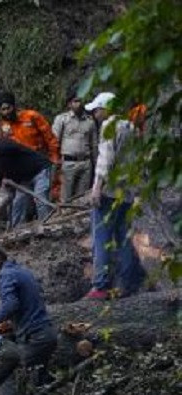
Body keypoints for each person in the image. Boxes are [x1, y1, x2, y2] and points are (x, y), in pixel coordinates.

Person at [84, 92, 146, 300]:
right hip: (127, 193)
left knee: (101, 237)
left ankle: (100, 285)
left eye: (96, 110)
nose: (95, 114)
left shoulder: (110, 125)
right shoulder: (131, 127)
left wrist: (97, 187)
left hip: (109, 191)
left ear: (106, 108)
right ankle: (126, 284)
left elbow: (105, 159)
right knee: (124, 238)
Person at [0, 245, 56, 395]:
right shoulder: (20, 271)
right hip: (46, 333)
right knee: (38, 382)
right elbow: (27, 302)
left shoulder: (5, 276)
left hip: (36, 337)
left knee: (8, 369)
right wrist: (12, 322)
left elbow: (11, 303)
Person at [0, 91, 60, 224]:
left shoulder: (31, 116)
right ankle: (14, 234)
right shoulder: (3, 127)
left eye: (8, 108)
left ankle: (47, 226)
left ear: (14, 106)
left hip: (39, 166)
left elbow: (50, 138)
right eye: (2, 110)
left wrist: (55, 158)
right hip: (22, 171)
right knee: (19, 202)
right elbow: (3, 151)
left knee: (41, 199)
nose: (6, 112)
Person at [0, 136, 52, 228]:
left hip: (39, 170)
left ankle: (45, 226)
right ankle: (16, 230)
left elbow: (6, 148)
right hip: (23, 179)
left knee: (40, 199)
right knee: (18, 203)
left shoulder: (2, 143)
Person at [53, 93, 98, 205]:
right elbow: (54, 142)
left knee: (82, 198)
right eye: (75, 101)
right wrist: (55, 162)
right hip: (68, 162)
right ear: (69, 104)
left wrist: (96, 164)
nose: (79, 104)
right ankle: (63, 219)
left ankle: (78, 221)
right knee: (66, 197)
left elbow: (94, 144)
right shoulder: (62, 119)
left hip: (86, 162)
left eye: (80, 101)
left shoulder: (90, 121)